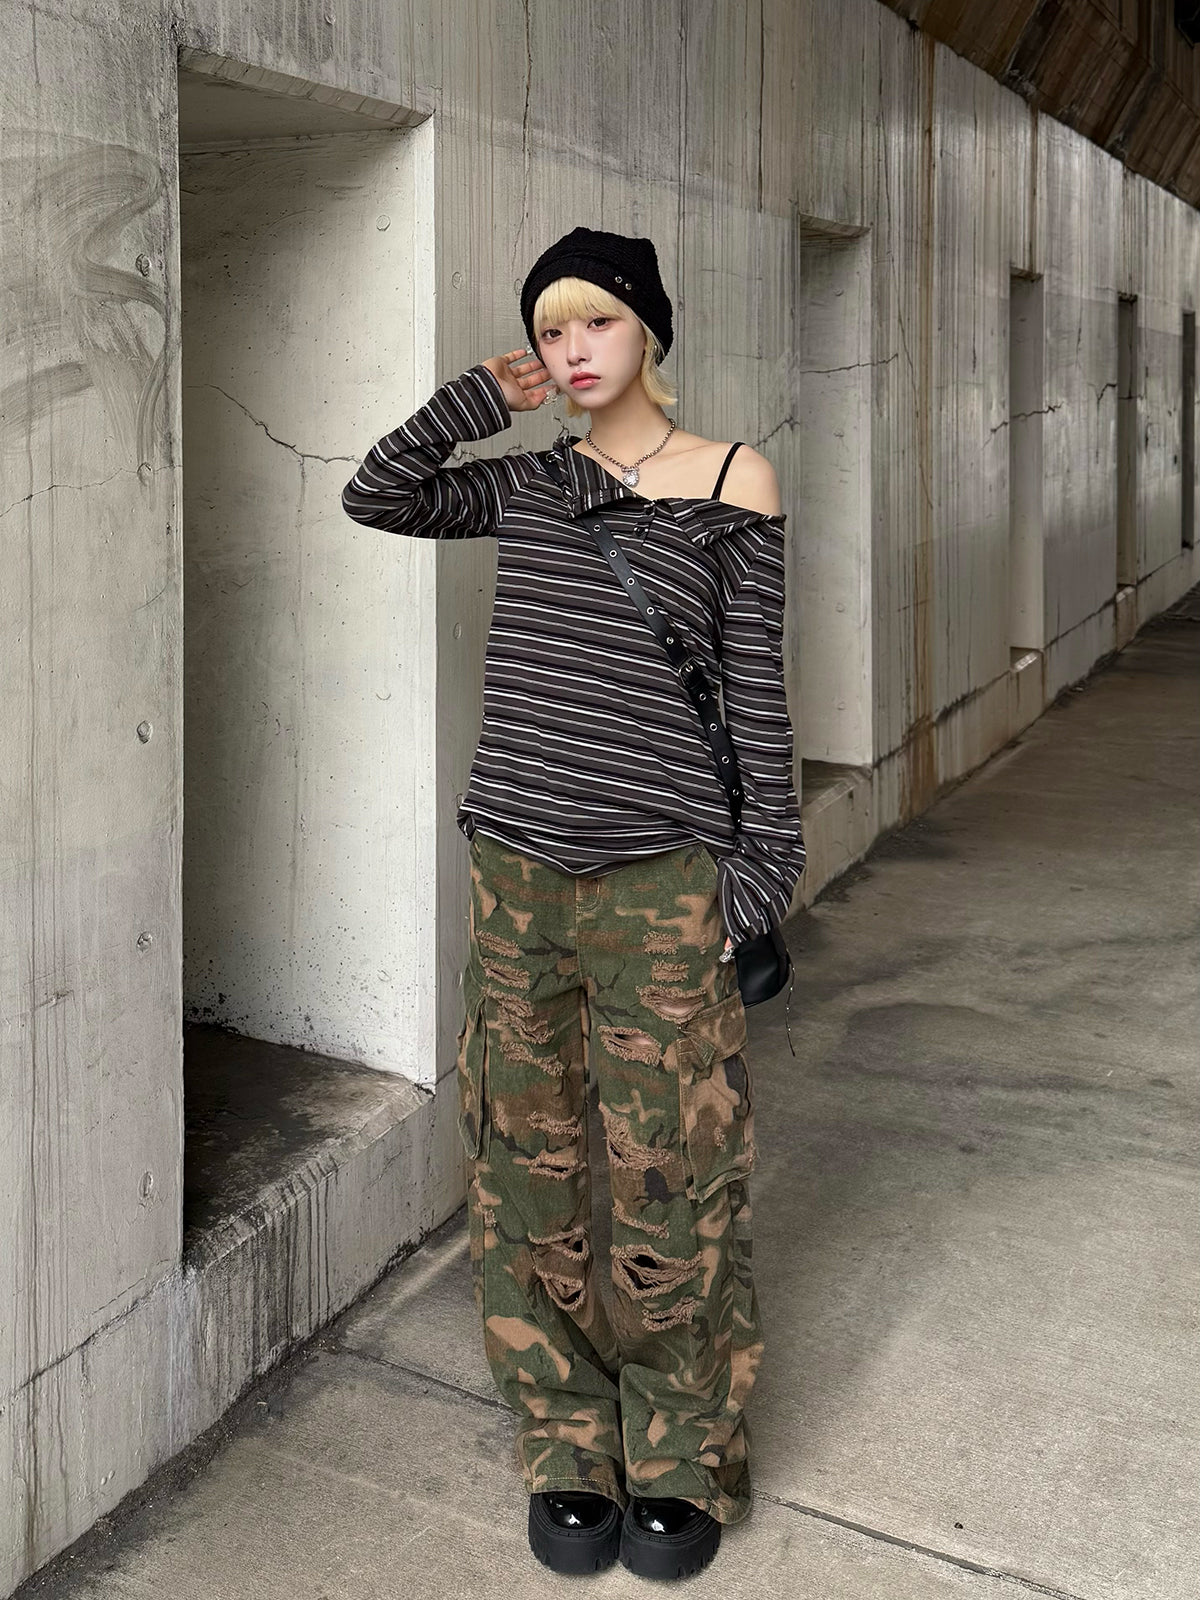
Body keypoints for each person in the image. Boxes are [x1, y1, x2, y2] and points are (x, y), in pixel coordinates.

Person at [340, 227, 805, 1580]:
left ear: (650, 328)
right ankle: (564, 1439)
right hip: (516, 880)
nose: (574, 348)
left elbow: (757, 690)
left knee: (674, 1177)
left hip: (661, 886)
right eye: (552, 329)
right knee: (525, 1167)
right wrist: (477, 399)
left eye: (597, 320)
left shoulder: (735, 479)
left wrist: (761, 871)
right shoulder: (534, 482)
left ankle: (679, 1452)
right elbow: (378, 492)